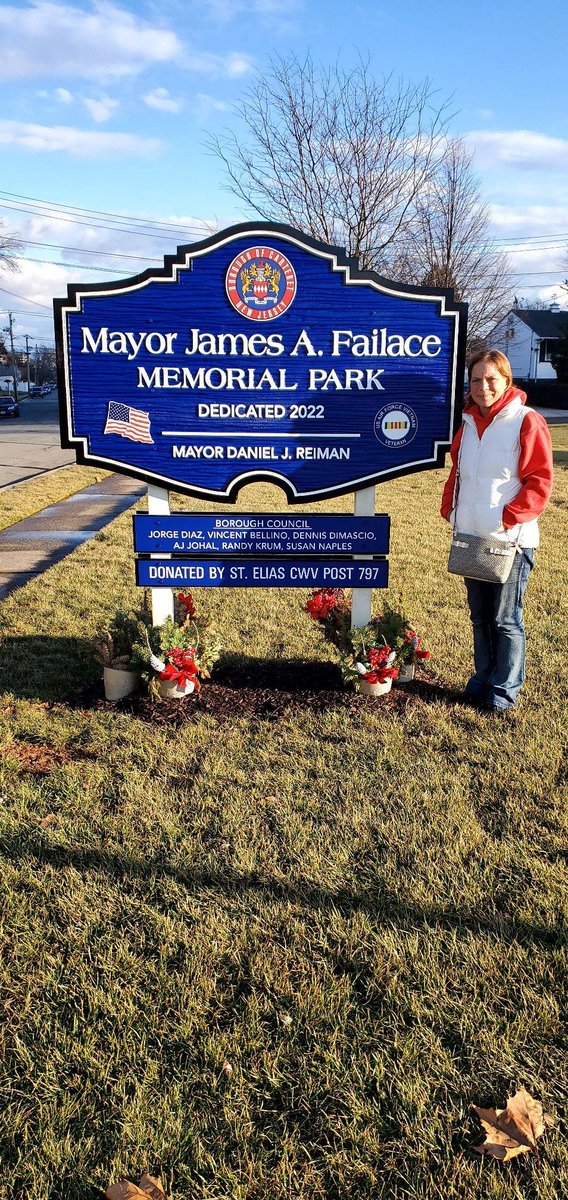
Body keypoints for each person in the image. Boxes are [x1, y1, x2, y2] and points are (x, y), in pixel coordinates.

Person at [441, 349, 553, 713]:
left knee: (506, 620)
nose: (483, 387)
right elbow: (459, 472)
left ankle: (503, 692)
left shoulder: (526, 420)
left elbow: (540, 481)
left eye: (491, 379)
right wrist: (450, 509)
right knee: (480, 617)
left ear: (506, 380)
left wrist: (509, 517)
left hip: (510, 541)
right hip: (471, 536)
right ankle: (482, 680)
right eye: (476, 380)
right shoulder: (468, 422)